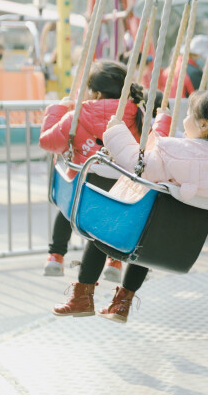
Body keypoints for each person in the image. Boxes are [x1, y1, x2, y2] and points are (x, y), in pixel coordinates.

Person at [51, 89, 208, 323]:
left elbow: (137, 163)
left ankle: (82, 296)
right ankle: (122, 301)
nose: (184, 120)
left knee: (100, 227)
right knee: (153, 227)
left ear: (205, 125)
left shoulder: (176, 152)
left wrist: (116, 132)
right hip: (175, 246)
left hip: (135, 235)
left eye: (188, 115)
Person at [39, 60, 144, 279]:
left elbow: (49, 142)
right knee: (113, 220)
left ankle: (56, 256)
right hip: (121, 189)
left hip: (83, 186)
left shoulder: (76, 116)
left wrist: (57, 109)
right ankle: (114, 262)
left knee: (68, 209)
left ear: (95, 94)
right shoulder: (138, 115)